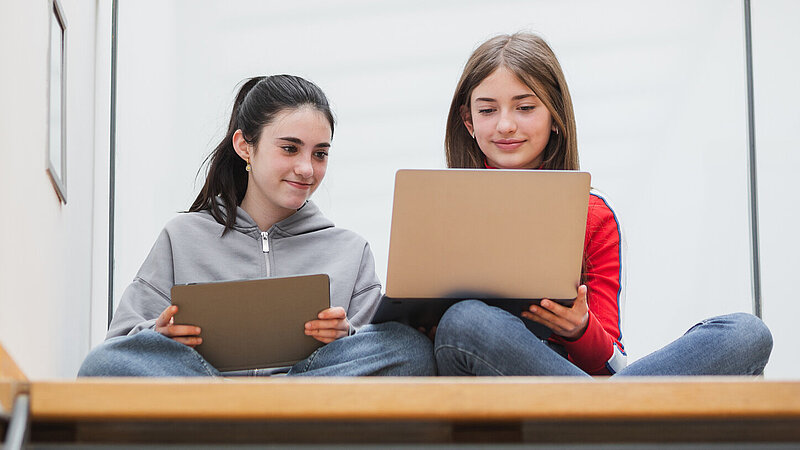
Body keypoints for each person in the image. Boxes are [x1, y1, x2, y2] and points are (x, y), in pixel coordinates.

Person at [434, 32, 772, 377]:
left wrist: (579, 328)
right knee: (465, 323)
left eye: (525, 107)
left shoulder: (591, 214)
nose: (506, 125)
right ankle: (613, 418)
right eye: (488, 110)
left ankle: (602, 415)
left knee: (746, 333)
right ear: (468, 121)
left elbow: (614, 364)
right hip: (485, 367)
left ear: (554, 116)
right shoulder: (436, 207)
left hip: (572, 380)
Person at [79, 75, 435, 377]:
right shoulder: (182, 237)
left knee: (412, 348)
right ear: (245, 146)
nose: (307, 169)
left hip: (309, 394)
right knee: (101, 364)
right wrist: (157, 334)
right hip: (208, 386)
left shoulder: (350, 250)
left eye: (320, 153)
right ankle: (240, 409)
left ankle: (272, 407)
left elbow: (381, 347)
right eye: (290, 148)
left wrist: (347, 333)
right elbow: (120, 344)